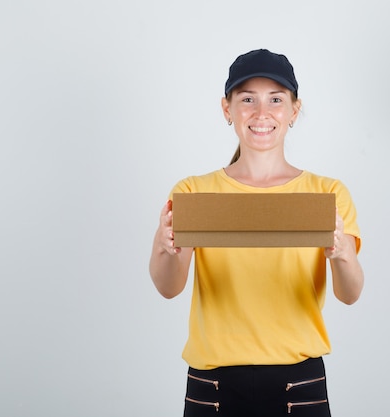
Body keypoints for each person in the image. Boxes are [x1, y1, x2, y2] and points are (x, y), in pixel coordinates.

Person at [149, 48, 364, 417]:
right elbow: (169, 288)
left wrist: (341, 252)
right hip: (212, 383)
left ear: (294, 111)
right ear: (226, 108)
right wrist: (164, 246)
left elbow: (350, 293)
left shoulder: (327, 194)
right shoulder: (192, 193)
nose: (261, 113)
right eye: (247, 99)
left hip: (299, 383)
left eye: (276, 100)